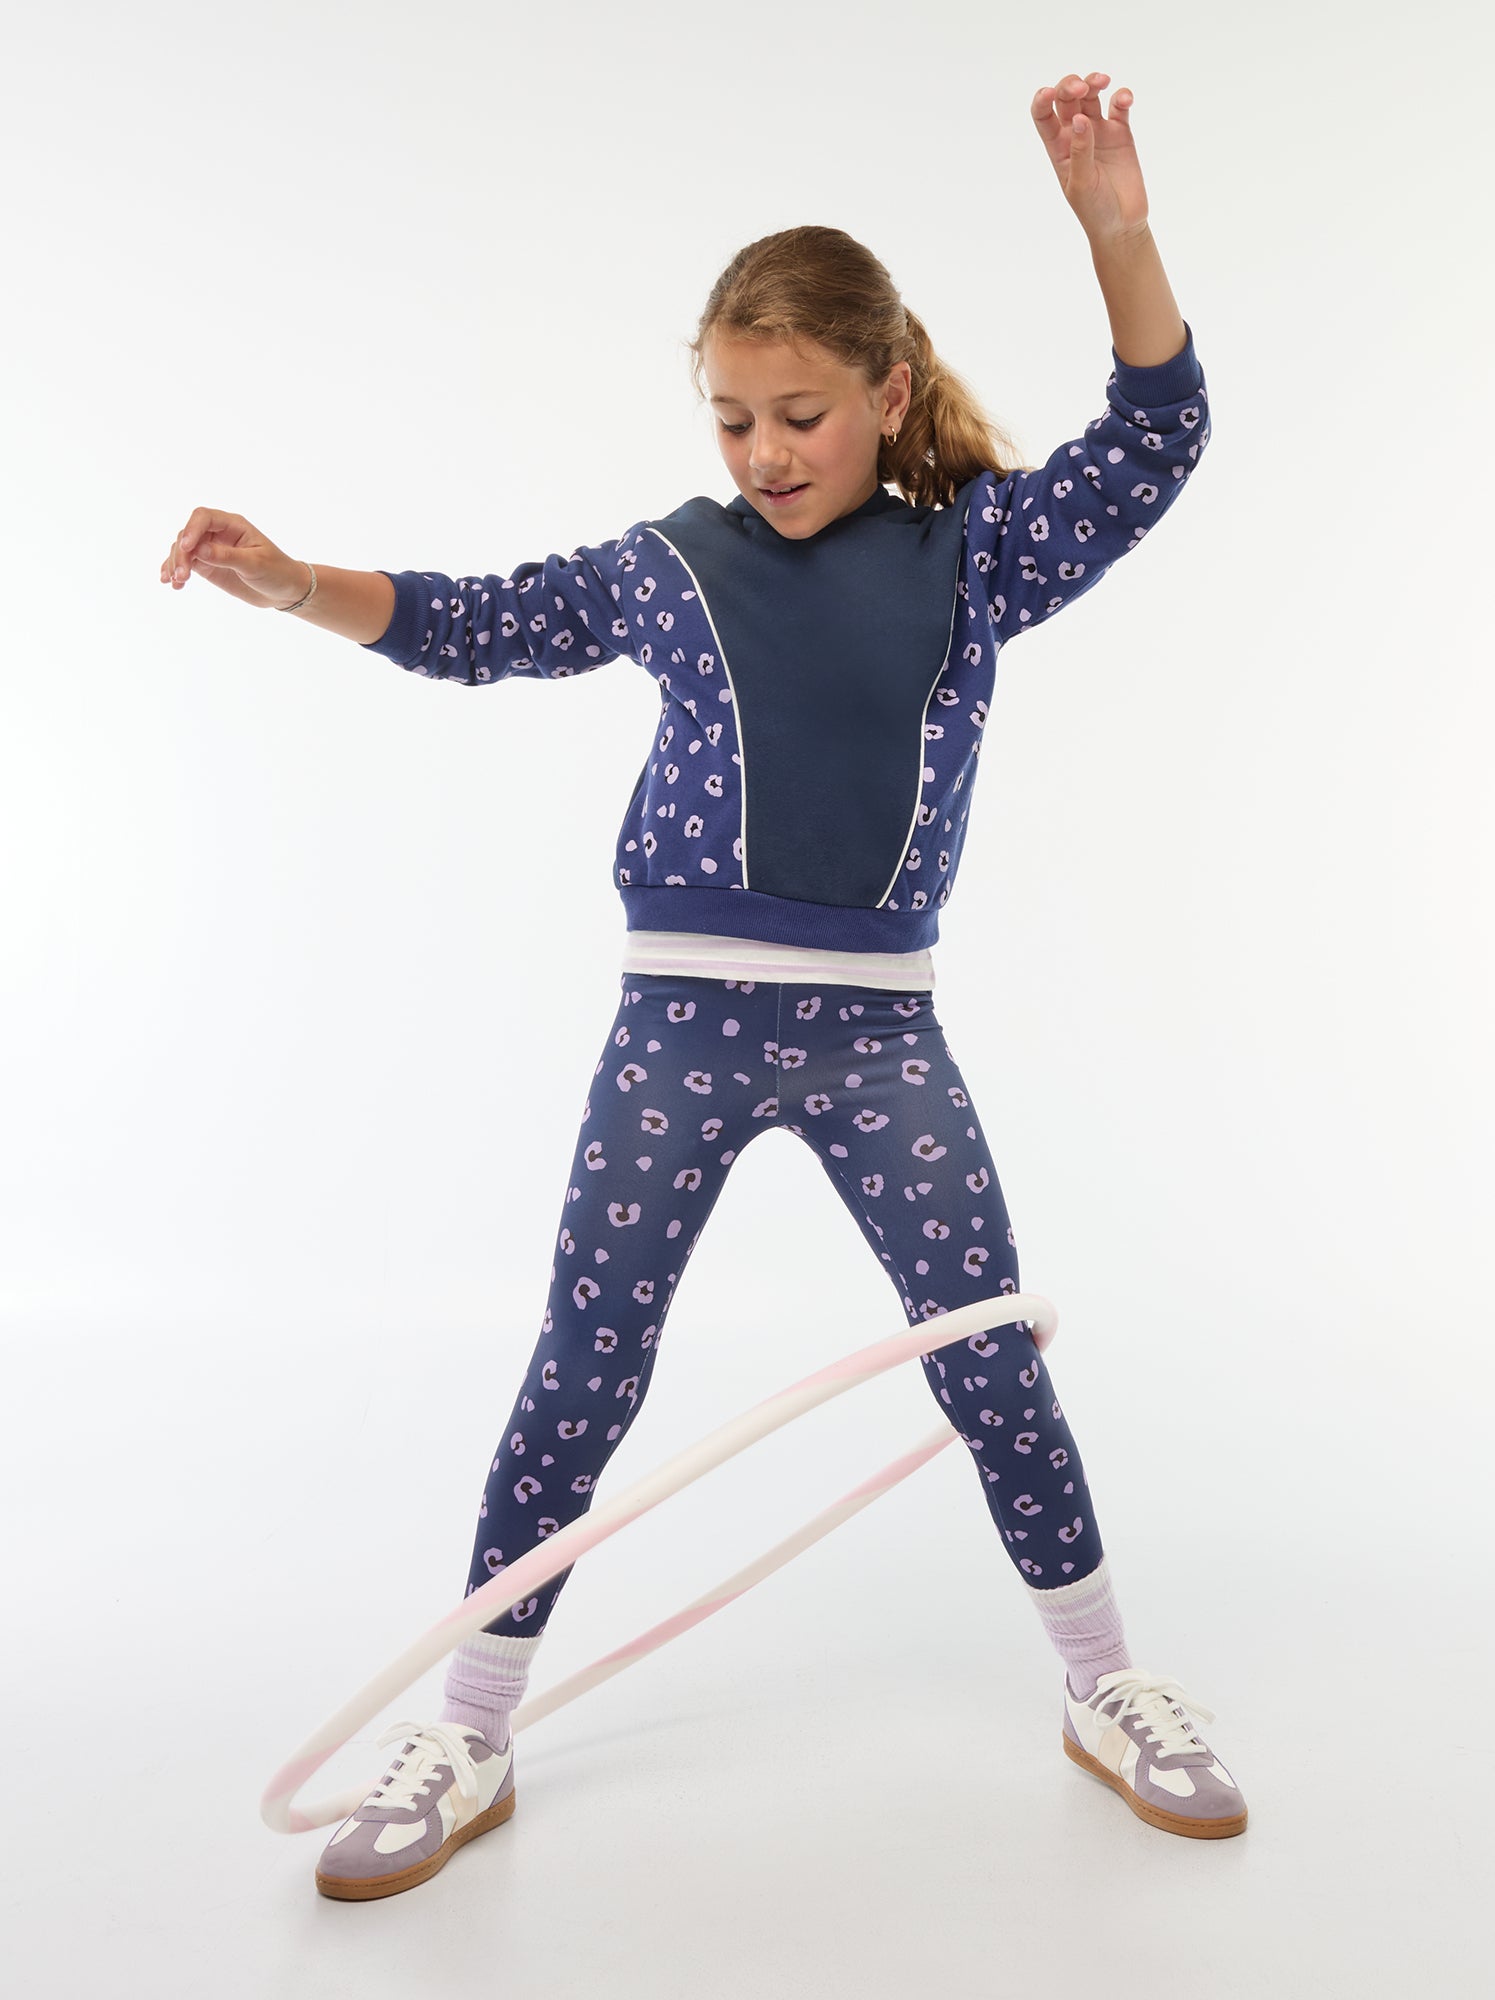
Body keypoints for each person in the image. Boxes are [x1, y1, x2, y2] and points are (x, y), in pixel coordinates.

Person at [163, 72, 1246, 1901]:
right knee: (585, 1365)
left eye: (800, 414)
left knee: (983, 1354)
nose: (763, 451)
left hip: (879, 1032)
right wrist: (291, 587)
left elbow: (1158, 438)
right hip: (681, 1023)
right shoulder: (675, 566)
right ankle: (473, 1724)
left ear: (887, 391)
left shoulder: (972, 558)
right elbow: (481, 622)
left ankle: (1103, 1682)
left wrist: (1117, 233)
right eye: (734, 417)